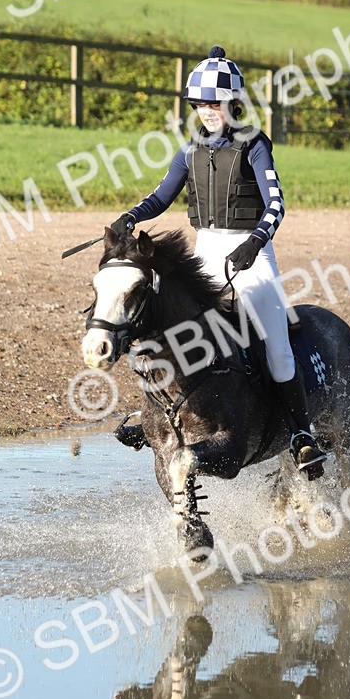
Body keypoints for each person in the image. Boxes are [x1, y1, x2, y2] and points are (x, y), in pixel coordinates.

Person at [110, 45, 327, 479]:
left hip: (251, 254)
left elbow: (277, 204)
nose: (208, 111)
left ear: (233, 102)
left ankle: (301, 435)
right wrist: (130, 216)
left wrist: (255, 241)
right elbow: (160, 196)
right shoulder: (189, 151)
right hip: (204, 252)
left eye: (215, 103)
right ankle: (152, 412)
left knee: (278, 348)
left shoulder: (255, 145)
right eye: (201, 104)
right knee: (163, 321)